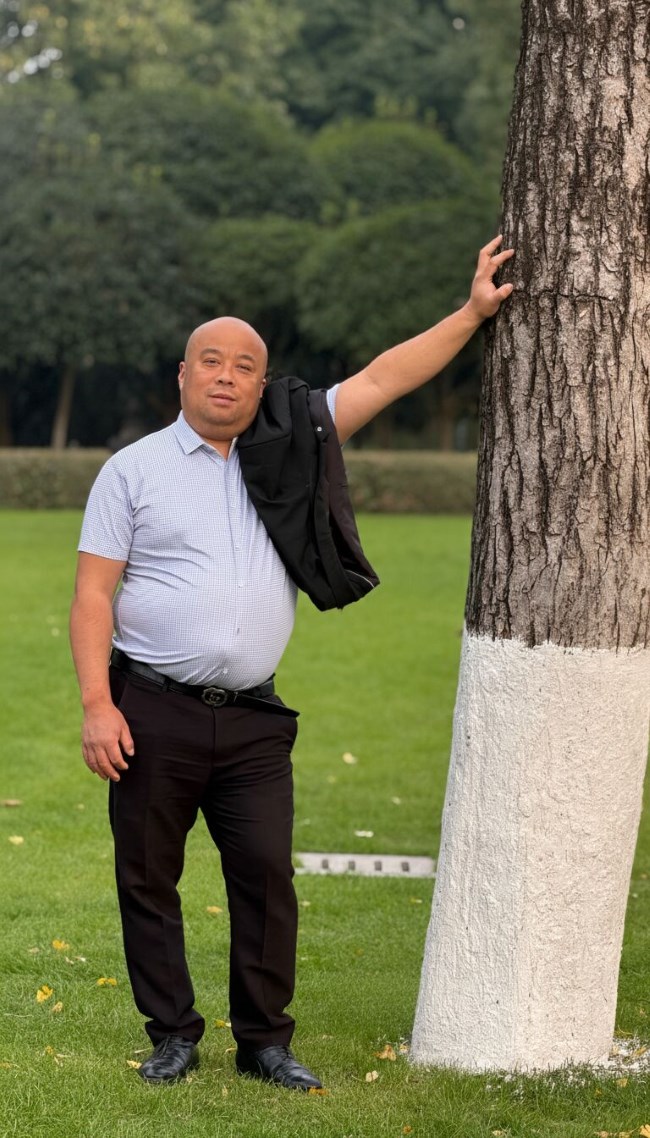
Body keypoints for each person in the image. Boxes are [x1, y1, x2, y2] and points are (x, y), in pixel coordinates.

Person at [69, 236, 514, 1089]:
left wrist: (470, 313)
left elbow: (382, 379)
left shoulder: (292, 441)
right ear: (183, 375)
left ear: (262, 383)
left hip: (253, 718)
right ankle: (173, 1033)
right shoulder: (132, 472)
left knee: (268, 877)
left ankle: (264, 1042)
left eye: (245, 366)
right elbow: (93, 596)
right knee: (148, 878)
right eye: (211, 362)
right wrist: (98, 703)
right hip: (150, 708)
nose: (227, 377)